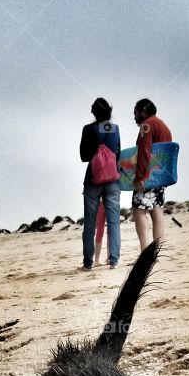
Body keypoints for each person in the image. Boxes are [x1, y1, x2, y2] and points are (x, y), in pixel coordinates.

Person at [79, 97, 121, 270]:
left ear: (93, 112)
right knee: (113, 221)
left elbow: (83, 156)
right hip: (112, 179)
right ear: (109, 112)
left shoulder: (88, 129)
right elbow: (117, 153)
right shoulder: (115, 128)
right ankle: (114, 261)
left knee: (90, 221)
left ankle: (88, 263)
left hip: (93, 179)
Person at [131, 98, 173, 252]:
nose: (134, 116)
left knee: (139, 211)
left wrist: (140, 177)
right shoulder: (164, 126)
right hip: (160, 176)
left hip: (147, 176)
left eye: (135, 112)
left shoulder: (146, 125)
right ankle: (156, 252)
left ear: (143, 111)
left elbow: (144, 152)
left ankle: (144, 252)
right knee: (157, 210)